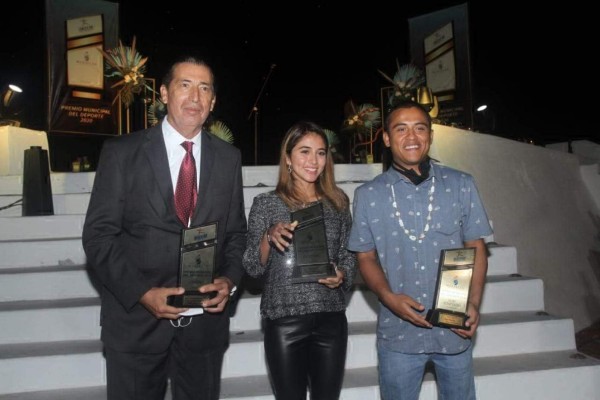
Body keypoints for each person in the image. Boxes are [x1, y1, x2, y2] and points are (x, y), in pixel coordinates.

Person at [82, 56, 247, 400]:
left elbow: (235, 235)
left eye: (204, 88)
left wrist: (229, 281)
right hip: (136, 324)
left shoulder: (229, 158)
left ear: (213, 101)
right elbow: (98, 236)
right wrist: (142, 293)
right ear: (164, 94)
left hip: (203, 326)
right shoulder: (122, 153)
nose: (195, 97)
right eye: (184, 85)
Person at [347, 100, 493, 400]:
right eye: (401, 129)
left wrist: (474, 303)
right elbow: (365, 256)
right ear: (387, 138)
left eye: (419, 128)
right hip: (398, 335)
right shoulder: (368, 195)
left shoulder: (461, 184)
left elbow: (476, 246)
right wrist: (387, 297)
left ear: (430, 135)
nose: (411, 137)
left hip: (454, 330)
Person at [242, 121, 357, 400]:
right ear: (288, 158)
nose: (313, 161)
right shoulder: (266, 204)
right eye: (304, 151)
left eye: (320, 153)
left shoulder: (338, 202)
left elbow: (349, 256)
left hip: (330, 319)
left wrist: (342, 274)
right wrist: (268, 236)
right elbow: (252, 267)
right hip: (284, 321)